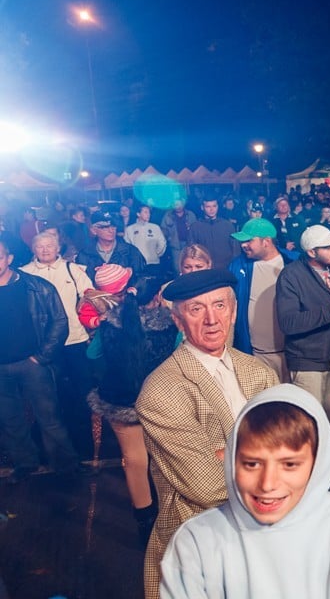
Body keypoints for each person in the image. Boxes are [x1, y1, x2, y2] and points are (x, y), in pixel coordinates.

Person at [160, 385, 330, 599]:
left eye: (289, 465)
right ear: (231, 462)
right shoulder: (196, 540)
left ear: (317, 464)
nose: (268, 484)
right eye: (251, 464)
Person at [136, 269, 279, 599]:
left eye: (219, 305)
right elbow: (207, 486)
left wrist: (226, 453)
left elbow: (295, 451)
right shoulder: (162, 390)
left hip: (265, 541)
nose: (212, 319)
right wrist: (269, 461)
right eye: (196, 309)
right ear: (178, 320)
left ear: (233, 311)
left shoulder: (259, 371)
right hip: (203, 544)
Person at [82, 264, 177, 548]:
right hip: (159, 399)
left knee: (134, 461)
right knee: (163, 458)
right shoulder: (170, 325)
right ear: (157, 297)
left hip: (119, 399)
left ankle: (145, 526)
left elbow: (92, 353)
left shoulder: (110, 322)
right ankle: (172, 516)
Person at [0, 239, 82, 484]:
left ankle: (65, 466)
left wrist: (42, 357)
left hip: (32, 364)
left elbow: (59, 321)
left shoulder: (36, 286)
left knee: (50, 417)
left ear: (9, 259)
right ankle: (25, 463)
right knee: (10, 420)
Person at [20, 231, 96, 459]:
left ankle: (83, 451)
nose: (45, 250)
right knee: (48, 400)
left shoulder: (73, 270)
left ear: (58, 248)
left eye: (49, 246)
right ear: (33, 249)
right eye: (40, 246)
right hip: (42, 347)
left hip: (74, 341)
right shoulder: (24, 274)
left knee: (81, 397)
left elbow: (91, 296)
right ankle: (55, 453)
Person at [276, 225, 330, 429]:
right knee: (310, 422)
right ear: (311, 252)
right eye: (328, 247)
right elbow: (288, 322)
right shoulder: (290, 276)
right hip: (306, 361)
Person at [228, 218, 298, 382]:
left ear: (266, 241)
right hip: (255, 356)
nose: (243, 245)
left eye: (248, 240)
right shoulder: (237, 266)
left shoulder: (293, 263)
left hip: (291, 355)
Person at [76, 211, 148, 285]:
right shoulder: (85, 255)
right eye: (104, 227)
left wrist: (129, 293)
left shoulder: (131, 252)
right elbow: (82, 283)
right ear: (94, 230)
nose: (111, 230)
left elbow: (141, 280)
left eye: (113, 226)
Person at [188, 198, 238, 270]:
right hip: (205, 269)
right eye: (208, 207)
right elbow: (191, 250)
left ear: (218, 206)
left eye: (214, 206)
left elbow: (235, 249)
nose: (212, 209)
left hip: (226, 268)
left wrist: (235, 267)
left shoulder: (227, 225)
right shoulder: (195, 227)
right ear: (202, 207)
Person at [124, 205, 167, 276]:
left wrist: (156, 254)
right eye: (145, 212)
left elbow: (162, 243)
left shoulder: (155, 227)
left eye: (149, 213)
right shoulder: (130, 229)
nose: (148, 215)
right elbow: (127, 246)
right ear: (138, 214)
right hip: (137, 264)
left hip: (153, 262)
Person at [161, 200, 198, 266]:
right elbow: (163, 230)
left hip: (189, 245)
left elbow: (196, 230)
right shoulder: (167, 216)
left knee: (189, 265)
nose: (178, 207)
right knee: (177, 267)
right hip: (175, 246)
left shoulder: (190, 215)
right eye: (176, 205)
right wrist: (169, 239)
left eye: (180, 204)